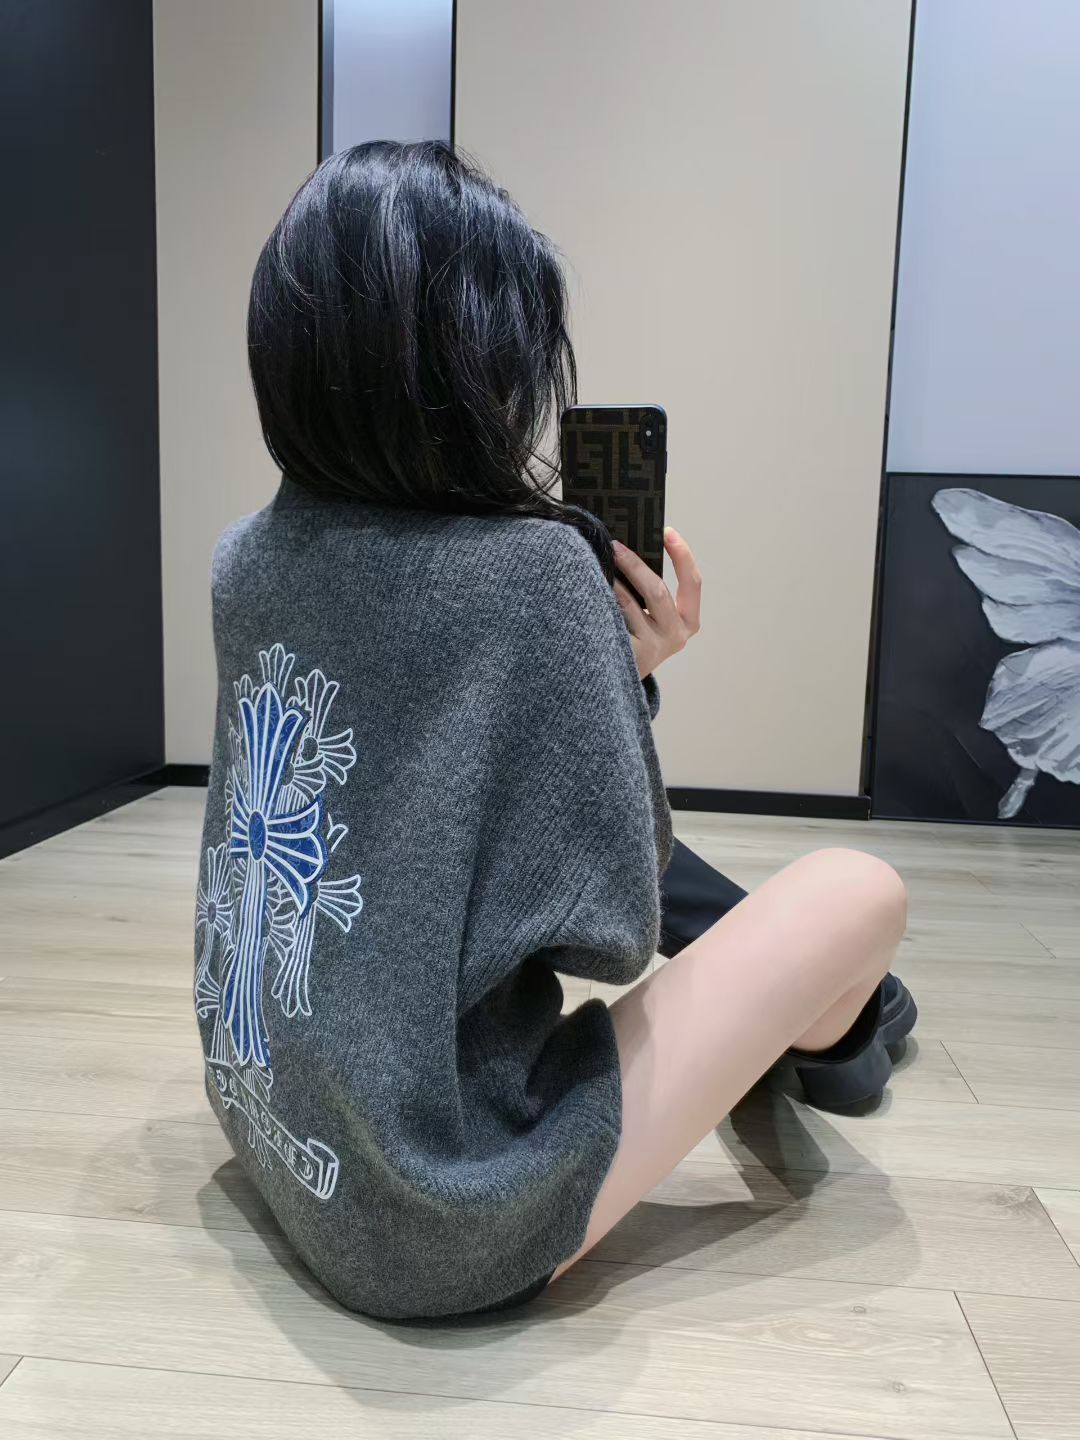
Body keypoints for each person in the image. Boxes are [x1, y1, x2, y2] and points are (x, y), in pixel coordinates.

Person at [193, 140, 911, 1324]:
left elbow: (389, 778)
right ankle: (837, 1036)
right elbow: (613, 928)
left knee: (793, 941)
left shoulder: (243, 561)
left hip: (267, 1107)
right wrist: (619, 682)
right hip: (437, 1204)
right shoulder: (532, 575)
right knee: (857, 891)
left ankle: (833, 1029)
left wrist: (586, 680)